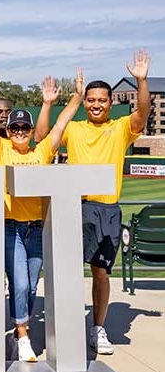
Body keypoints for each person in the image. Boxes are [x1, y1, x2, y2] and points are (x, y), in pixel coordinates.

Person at [0, 65, 83, 361]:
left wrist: (76, 97)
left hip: (37, 228)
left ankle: (18, 330)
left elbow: (61, 124)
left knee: (32, 284)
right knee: (20, 283)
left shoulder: (40, 153)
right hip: (11, 227)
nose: (22, 132)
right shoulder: (0, 152)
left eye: (25, 128)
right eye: (15, 128)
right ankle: (23, 334)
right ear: (8, 131)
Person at [61, 50, 151, 355]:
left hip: (108, 210)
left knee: (101, 272)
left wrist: (141, 80)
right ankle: (68, 325)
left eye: (102, 100)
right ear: (85, 102)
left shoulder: (120, 128)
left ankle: (97, 327)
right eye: (91, 99)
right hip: (76, 207)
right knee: (68, 270)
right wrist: (70, 98)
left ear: (110, 103)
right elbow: (45, 133)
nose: (96, 104)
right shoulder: (74, 129)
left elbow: (143, 113)